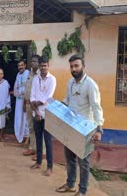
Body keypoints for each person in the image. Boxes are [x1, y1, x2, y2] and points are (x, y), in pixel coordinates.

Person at [56, 54, 104, 196]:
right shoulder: (70, 83)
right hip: (71, 127)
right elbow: (68, 100)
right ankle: (70, 185)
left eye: (76, 65)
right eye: (71, 66)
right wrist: (57, 107)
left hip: (85, 129)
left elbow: (96, 107)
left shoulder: (90, 84)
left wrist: (99, 129)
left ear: (83, 66)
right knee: (69, 158)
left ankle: (82, 191)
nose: (74, 68)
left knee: (83, 163)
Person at [30, 56, 56, 176]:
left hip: (47, 114)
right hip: (37, 113)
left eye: (45, 65)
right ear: (39, 67)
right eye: (41, 65)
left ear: (48, 66)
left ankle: (50, 167)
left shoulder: (52, 79)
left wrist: (37, 103)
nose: (43, 67)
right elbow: (32, 97)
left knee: (48, 140)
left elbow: (48, 98)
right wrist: (37, 111)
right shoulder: (35, 79)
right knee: (38, 139)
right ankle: (39, 162)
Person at [23, 55, 46, 160]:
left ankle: (41, 152)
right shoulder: (29, 74)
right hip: (28, 104)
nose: (33, 63)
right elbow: (26, 90)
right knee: (31, 128)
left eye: (35, 61)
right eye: (31, 61)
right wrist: (25, 103)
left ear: (39, 63)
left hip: (36, 106)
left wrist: (35, 105)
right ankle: (32, 148)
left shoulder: (40, 75)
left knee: (39, 130)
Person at [13, 59, 30, 145]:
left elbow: (28, 88)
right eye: (19, 65)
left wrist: (25, 100)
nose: (20, 67)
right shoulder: (18, 75)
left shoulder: (28, 74)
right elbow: (16, 87)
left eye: (21, 65)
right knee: (19, 118)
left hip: (25, 100)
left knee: (26, 119)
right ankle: (21, 135)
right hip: (18, 100)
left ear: (25, 65)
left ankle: (27, 138)